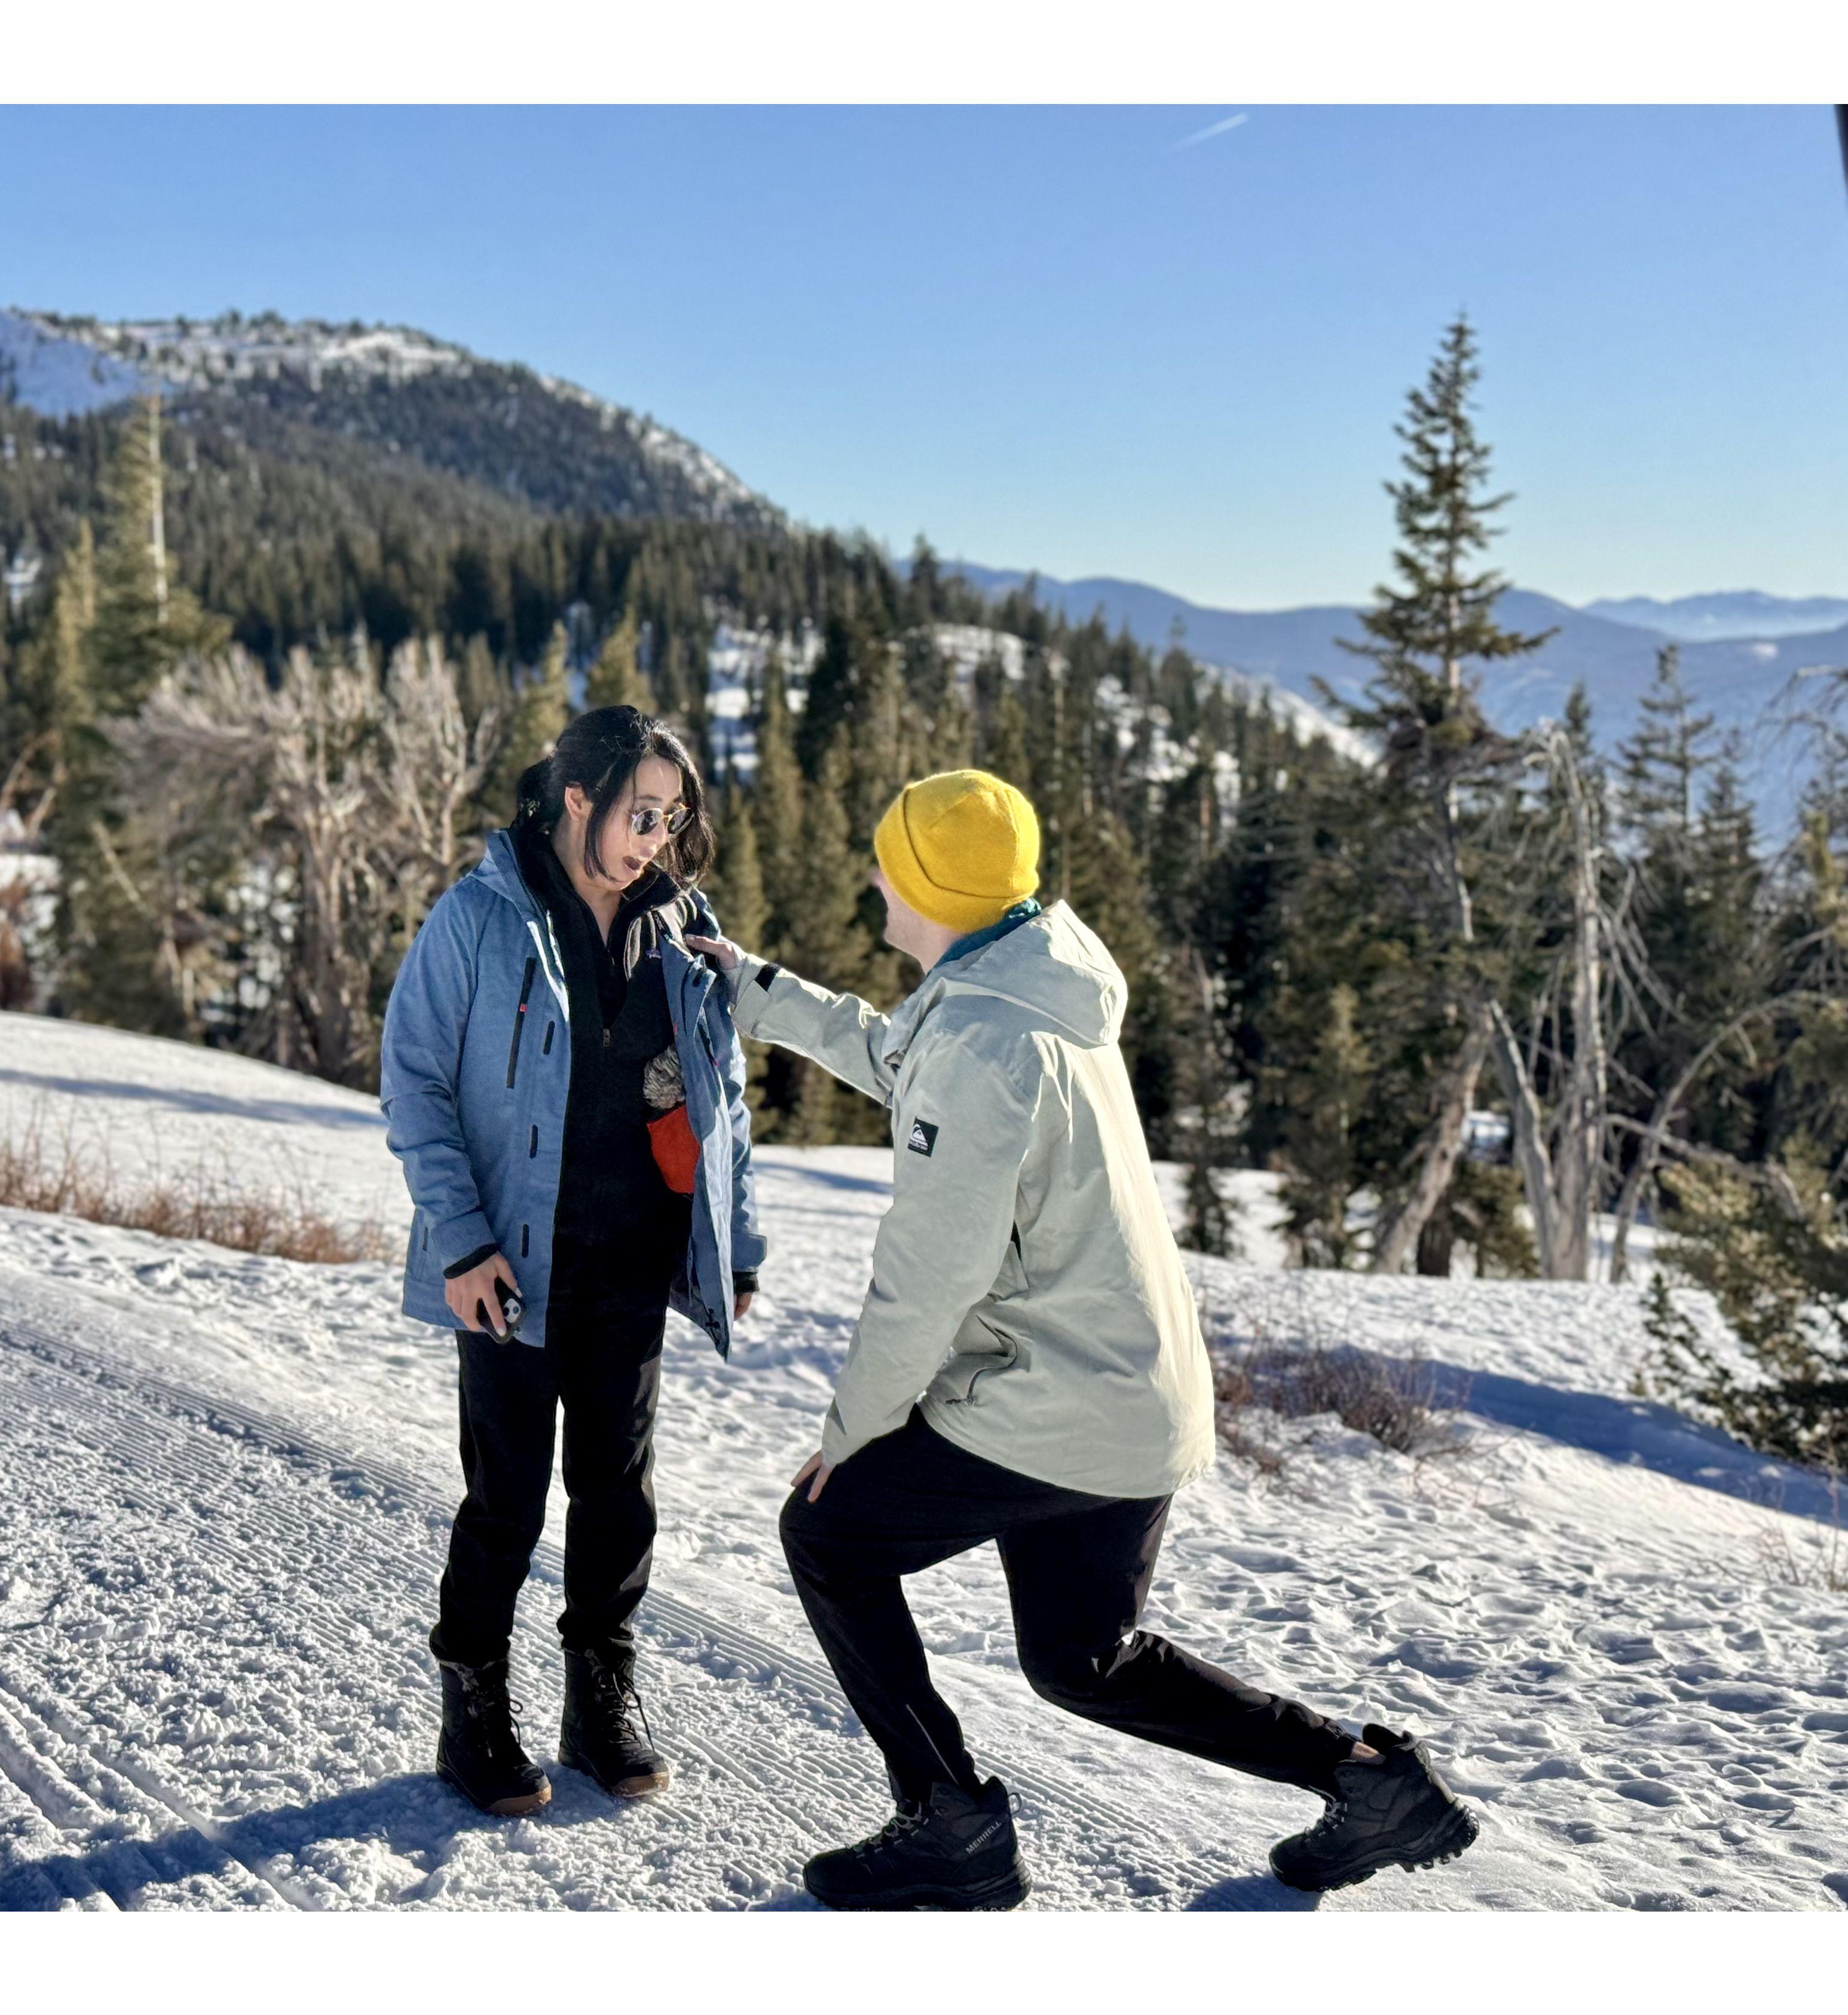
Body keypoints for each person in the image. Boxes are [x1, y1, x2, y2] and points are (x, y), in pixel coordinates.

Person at [687, 769, 1477, 1909]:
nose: (871, 878)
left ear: (925, 887)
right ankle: (1369, 1784)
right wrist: (760, 992)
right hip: (1133, 1398)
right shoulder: (1023, 991)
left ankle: (948, 1821)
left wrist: (850, 1434)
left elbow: (927, 1278)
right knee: (1081, 1660)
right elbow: (906, 1061)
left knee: (830, 1538)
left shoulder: (983, 1041)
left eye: (887, 863)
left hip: (1055, 1399)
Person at [382, 705, 764, 1818]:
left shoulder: (680, 929)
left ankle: (601, 1694)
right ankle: (475, 1703)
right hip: (511, 1264)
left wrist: (735, 1243)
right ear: (578, 799)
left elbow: (722, 1096)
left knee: (618, 1492)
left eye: (673, 818)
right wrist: (460, 1241)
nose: (656, 839)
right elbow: (415, 1082)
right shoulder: (480, 918)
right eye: (640, 814)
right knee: (505, 1500)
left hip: (631, 1262)